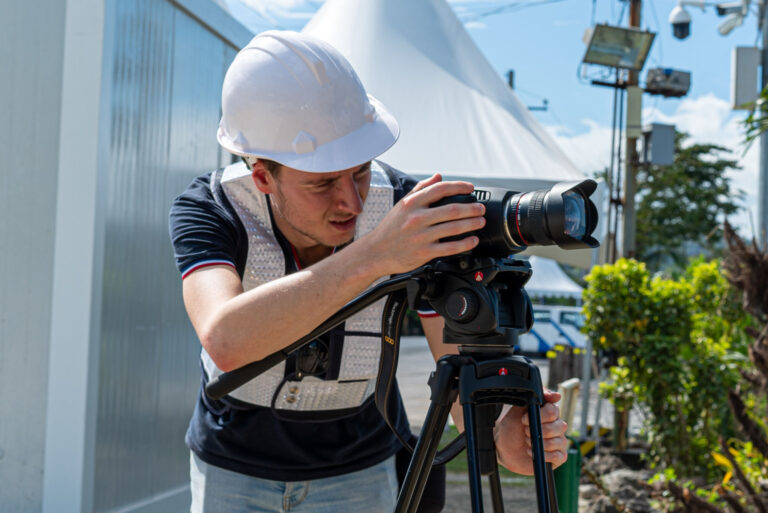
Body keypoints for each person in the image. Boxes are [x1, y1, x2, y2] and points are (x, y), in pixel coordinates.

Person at [169, 30, 568, 513]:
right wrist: (377, 254)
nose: (352, 203)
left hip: (362, 468)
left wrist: (502, 433)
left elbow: (456, 358)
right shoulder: (210, 208)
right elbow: (225, 339)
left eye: (360, 171)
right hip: (233, 466)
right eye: (322, 183)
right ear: (261, 177)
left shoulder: (406, 208)